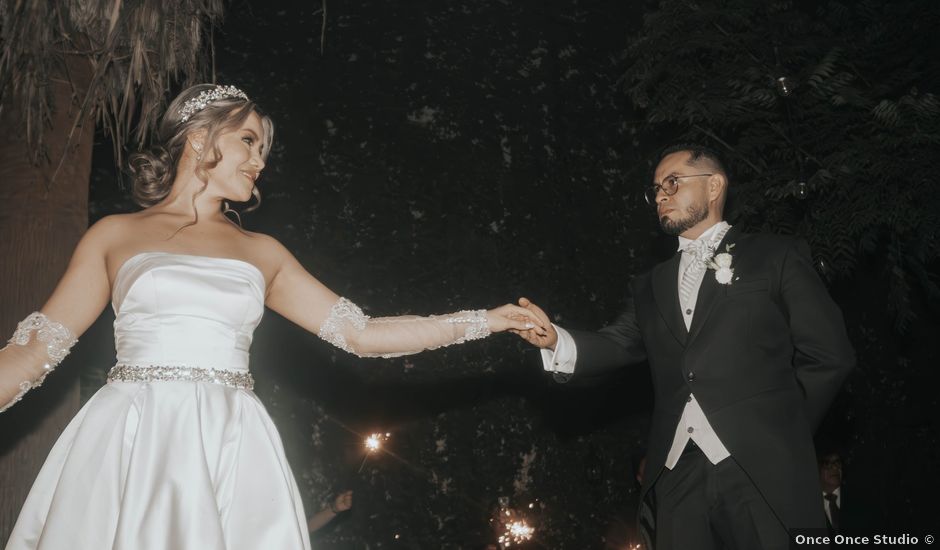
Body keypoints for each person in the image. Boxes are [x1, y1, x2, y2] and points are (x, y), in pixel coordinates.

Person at [0, 83, 544, 550]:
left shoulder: (263, 252)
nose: (260, 160)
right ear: (198, 138)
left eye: (263, 148)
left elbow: (363, 333)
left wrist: (487, 321)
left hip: (230, 438)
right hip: (130, 432)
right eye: (248, 141)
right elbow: (33, 352)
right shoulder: (114, 235)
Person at [514, 144, 855, 550]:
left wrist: (786, 432)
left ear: (714, 186)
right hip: (676, 470)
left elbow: (830, 355)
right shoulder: (650, 284)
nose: (660, 195)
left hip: (763, 468)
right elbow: (617, 342)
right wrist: (555, 339)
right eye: (656, 188)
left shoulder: (775, 256)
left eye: (672, 182)